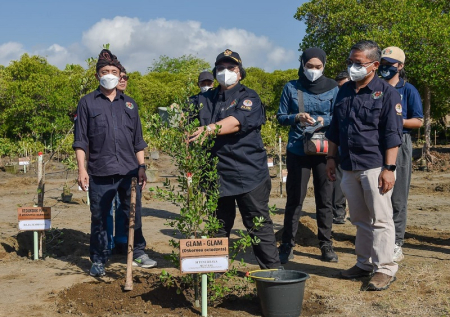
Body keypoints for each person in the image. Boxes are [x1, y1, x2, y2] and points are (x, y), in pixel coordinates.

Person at [189, 49, 280, 269]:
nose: (225, 72)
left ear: (240, 73)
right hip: (215, 175)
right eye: (221, 68)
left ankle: (274, 277)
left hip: (248, 174)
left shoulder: (249, 97)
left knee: (258, 226)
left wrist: (209, 129)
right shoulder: (202, 99)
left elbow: (236, 122)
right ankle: (213, 279)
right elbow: (185, 125)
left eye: (231, 68)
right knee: (217, 228)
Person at [325, 40, 403, 291]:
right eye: (350, 62)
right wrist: (331, 158)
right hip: (348, 165)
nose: (352, 67)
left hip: (375, 165)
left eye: (358, 63)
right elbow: (335, 129)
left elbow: (392, 135)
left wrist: (389, 169)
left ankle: (385, 269)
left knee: (381, 219)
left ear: (374, 65)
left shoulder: (388, 94)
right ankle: (364, 263)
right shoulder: (344, 91)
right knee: (359, 219)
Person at [73, 49, 157, 277]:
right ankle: (99, 259)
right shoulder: (87, 103)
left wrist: (142, 168)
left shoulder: (130, 105)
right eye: (104, 71)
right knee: (100, 216)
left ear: (120, 75)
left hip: (129, 170)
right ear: (97, 75)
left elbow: (138, 141)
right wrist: (82, 169)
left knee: (132, 213)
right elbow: (80, 140)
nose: (109, 74)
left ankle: (137, 251)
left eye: (113, 71)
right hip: (100, 171)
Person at [277, 48, 339, 264]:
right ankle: (287, 243)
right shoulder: (291, 87)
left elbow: (339, 116)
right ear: (302, 65)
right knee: (295, 199)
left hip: (325, 150)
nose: (313, 70)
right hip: (297, 148)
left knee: (325, 198)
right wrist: (296, 117)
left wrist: (324, 121)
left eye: (318, 67)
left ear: (324, 66)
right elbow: (281, 117)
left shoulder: (334, 88)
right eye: (309, 66)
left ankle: (325, 243)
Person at [379, 46, 423, 262]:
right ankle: (378, 240)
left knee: (398, 196)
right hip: (375, 142)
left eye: (390, 64)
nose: (385, 67)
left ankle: (397, 242)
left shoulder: (409, 90)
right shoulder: (373, 87)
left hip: (400, 140)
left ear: (401, 66)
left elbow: (419, 120)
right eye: (383, 63)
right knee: (375, 193)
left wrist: (397, 121)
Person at [106, 66, 130, 255]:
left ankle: (122, 241)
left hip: (127, 167)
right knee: (106, 208)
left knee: (124, 206)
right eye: (118, 76)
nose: (121, 80)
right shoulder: (96, 102)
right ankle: (107, 244)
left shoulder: (130, 105)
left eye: (125, 77)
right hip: (103, 167)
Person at [332, 70, 351, 224]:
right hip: (340, 144)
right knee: (338, 178)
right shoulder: (336, 98)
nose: (341, 89)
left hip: (360, 148)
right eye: (339, 86)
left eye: (344, 85)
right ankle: (339, 211)